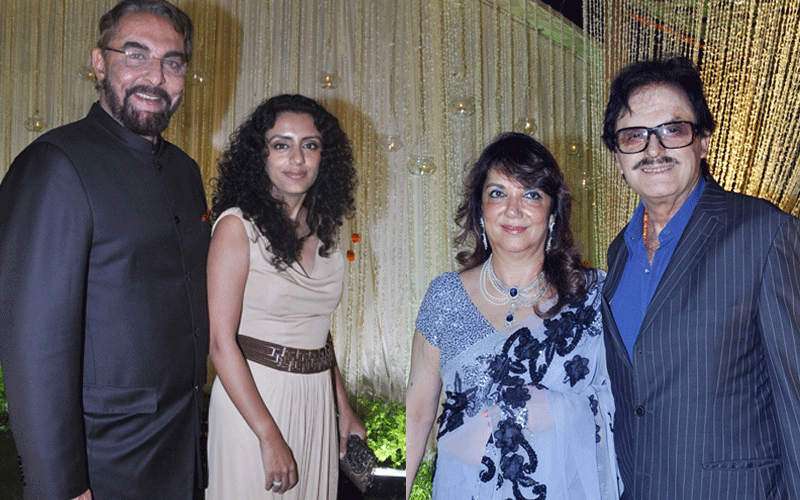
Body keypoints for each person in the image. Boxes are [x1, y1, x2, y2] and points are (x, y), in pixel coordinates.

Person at [0, 1, 209, 499]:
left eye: (173, 62)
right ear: (99, 63)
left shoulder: (185, 171)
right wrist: (62, 487)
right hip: (101, 461)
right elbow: (33, 347)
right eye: (135, 55)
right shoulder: (54, 165)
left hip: (180, 447)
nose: (155, 77)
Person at [600, 56, 800, 499]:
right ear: (618, 157)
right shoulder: (619, 255)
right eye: (634, 136)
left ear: (703, 140)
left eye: (672, 130)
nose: (653, 150)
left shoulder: (764, 234)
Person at [406, 132, 623, 500]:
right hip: (464, 488)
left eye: (532, 195)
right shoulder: (446, 296)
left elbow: (625, 402)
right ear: (479, 210)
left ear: (553, 213)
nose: (513, 209)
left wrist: (552, 410)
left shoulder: (592, 297)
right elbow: (418, 413)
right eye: (497, 193)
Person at [205, 94, 366, 499]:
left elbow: (318, 334)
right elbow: (220, 343)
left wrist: (342, 408)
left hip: (315, 404)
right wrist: (267, 433)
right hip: (255, 404)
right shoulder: (236, 228)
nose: (297, 158)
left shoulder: (328, 232)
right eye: (282, 144)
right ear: (260, 156)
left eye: (310, 145)